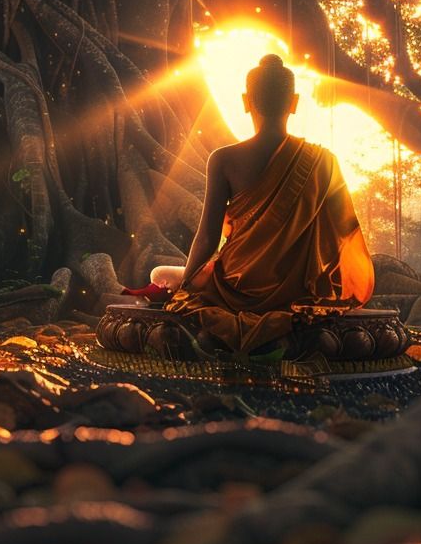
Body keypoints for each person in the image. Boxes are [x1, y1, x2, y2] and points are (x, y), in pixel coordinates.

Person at [153, 54, 374, 354]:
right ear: (294, 103)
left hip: (233, 289)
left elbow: (207, 238)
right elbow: (341, 236)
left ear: (246, 101)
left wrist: (186, 289)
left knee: (159, 276)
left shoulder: (223, 159)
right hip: (295, 293)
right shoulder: (324, 162)